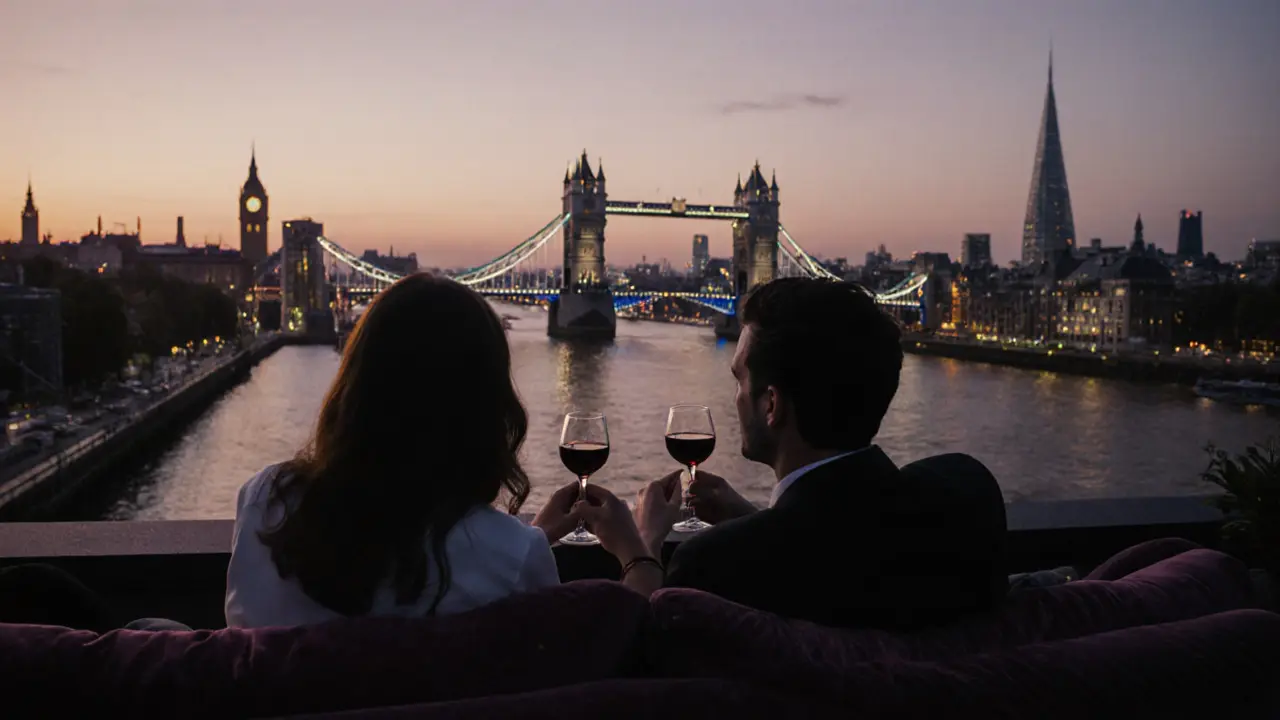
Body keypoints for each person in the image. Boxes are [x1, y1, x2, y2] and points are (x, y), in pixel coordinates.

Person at [580, 277, 1006, 630]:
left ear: (771, 405)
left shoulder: (712, 564)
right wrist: (754, 519)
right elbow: (840, 547)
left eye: (739, 380)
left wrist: (641, 544)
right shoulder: (968, 490)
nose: (734, 399)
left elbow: (646, 650)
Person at [226, 274, 575, 627]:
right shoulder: (515, 557)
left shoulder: (266, 503)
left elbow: (244, 644)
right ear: (488, 407)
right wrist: (529, 547)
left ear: (355, 387)